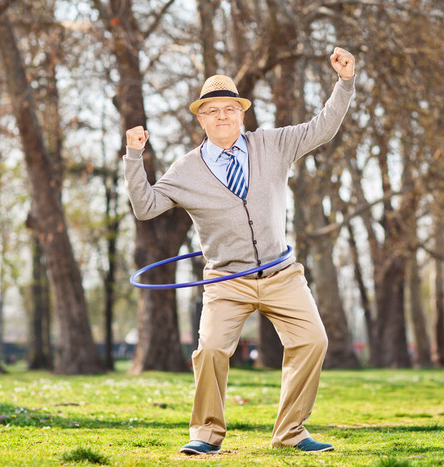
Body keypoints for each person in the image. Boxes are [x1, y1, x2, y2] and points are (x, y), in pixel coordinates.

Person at [123, 47, 355, 455]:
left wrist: (345, 82)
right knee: (210, 349)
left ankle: (290, 432)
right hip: (225, 280)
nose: (222, 116)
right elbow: (145, 208)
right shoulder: (185, 170)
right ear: (201, 120)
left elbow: (323, 127)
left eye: (229, 108)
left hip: (281, 272)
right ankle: (206, 434)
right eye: (211, 111)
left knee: (313, 341)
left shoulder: (273, 144)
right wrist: (133, 156)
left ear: (241, 114)